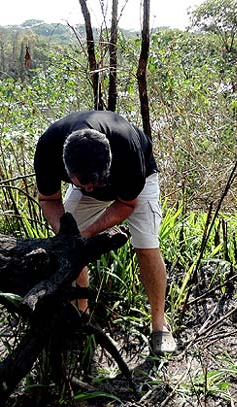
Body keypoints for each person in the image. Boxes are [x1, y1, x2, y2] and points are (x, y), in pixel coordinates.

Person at [33, 110, 177, 355]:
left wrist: (88, 233)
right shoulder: (49, 147)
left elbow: (127, 205)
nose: (90, 189)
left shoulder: (126, 147)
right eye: (83, 184)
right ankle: (81, 317)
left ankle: (159, 324)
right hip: (91, 178)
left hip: (136, 184)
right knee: (69, 248)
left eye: (95, 183)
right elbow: (48, 199)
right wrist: (68, 234)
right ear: (68, 171)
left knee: (146, 244)